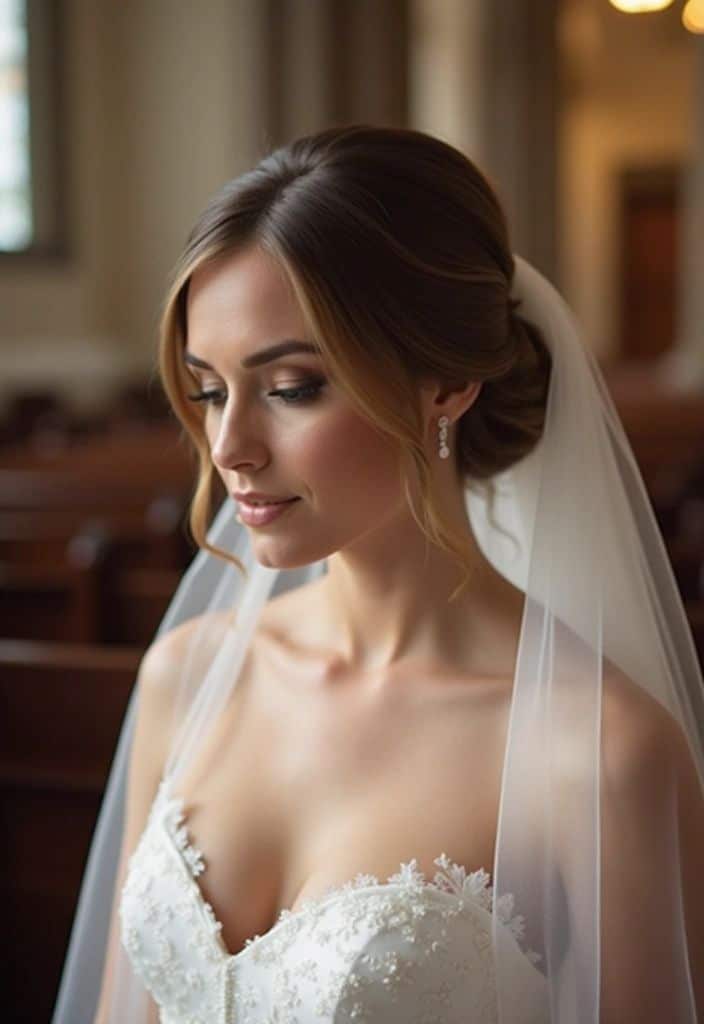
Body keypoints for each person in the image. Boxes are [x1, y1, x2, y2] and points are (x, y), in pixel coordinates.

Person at [53, 124, 704, 1024]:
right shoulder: (190, 675)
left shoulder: (599, 754)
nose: (230, 447)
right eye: (209, 390)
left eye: (290, 387)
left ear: (446, 384)